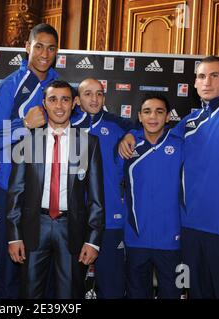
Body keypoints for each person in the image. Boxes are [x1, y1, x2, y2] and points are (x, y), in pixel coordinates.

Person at [119, 56, 219, 299]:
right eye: (202, 76)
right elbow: (155, 133)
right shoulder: (188, 124)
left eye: (215, 75)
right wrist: (131, 133)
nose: (207, 81)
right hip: (191, 235)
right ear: (194, 83)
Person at [0, 23, 59, 298]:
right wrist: (23, 124)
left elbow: (85, 127)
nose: (44, 54)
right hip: (10, 190)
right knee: (10, 271)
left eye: (51, 48)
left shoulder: (60, 88)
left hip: (48, 192)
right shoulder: (9, 87)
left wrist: (129, 133)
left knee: (44, 272)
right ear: (27, 47)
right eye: (38, 46)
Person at [6, 80, 105, 298]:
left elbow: (97, 198)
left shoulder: (89, 143)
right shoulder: (28, 142)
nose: (59, 106)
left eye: (65, 99)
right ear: (44, 103)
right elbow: (16, 193)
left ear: (74, 104)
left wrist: (93, 239)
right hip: (34, 227)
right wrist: (14, 236)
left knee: (69, 295)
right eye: (53, 99)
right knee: (29, 293)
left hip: (71, 229)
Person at [71, 78, 131, 298]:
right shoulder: (66, 125)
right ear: (77, 100)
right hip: (74, 221)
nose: (94, 99)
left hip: (110, 220)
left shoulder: (118, 127)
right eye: (88, 94)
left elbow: (145, 128)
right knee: (69, 287)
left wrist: (133, 133)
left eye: (99, 94)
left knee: (112, 287)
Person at [123, 93, 183, 299]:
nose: (153, 117)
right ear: (139, 116)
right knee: (136, 294)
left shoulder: (181, 145)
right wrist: (130, 134)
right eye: (147, 111)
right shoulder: (127, 147)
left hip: (173, 241)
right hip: (136, 239)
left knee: (173, 293)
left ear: (167, 117)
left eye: (159, 111)